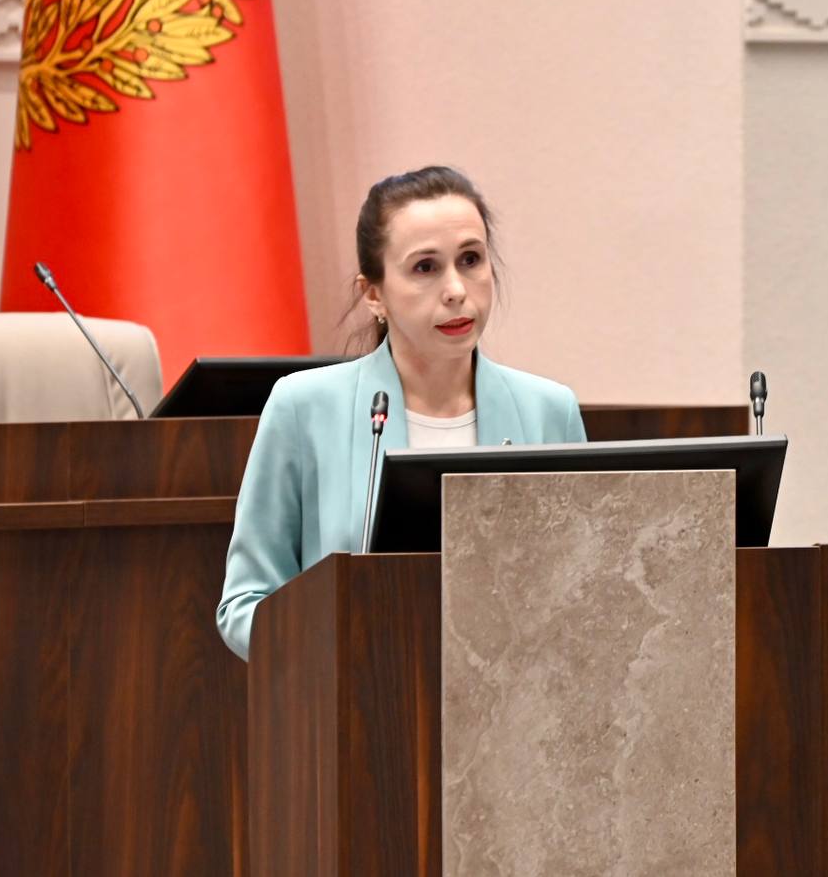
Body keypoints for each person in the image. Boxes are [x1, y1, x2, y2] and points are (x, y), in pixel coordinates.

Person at [216, 166, 587, 660]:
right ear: (374, 294)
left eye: (470, 259)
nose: (456, 289)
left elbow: (585, 594)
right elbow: (245, 605)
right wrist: (333, 656)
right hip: (357, 693)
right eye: (425, 267)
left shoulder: (549, 411)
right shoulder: (303, 408)